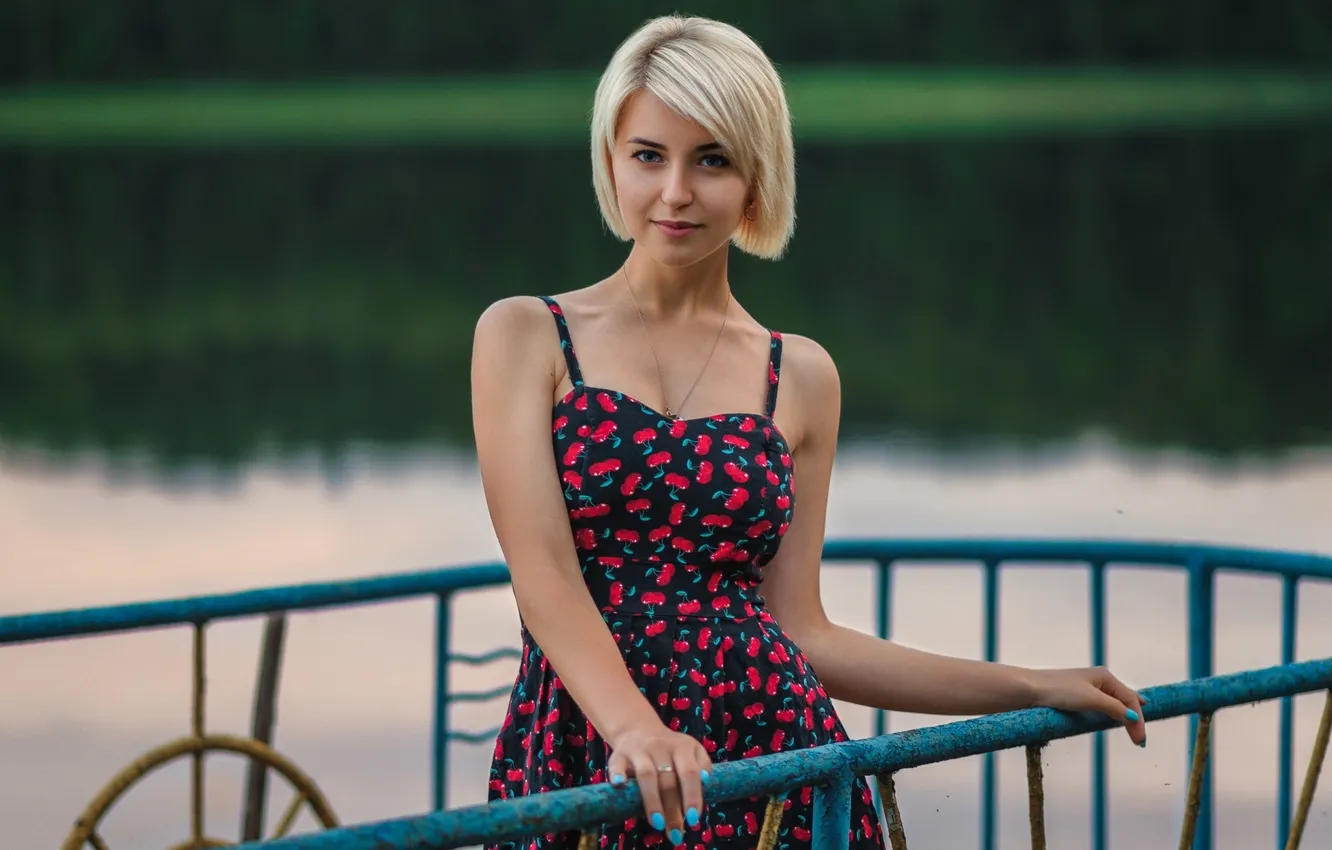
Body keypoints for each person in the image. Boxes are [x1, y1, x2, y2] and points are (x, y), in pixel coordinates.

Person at [470, 15, 1146, 850]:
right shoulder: (524, 335)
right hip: (593, 749)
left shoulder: (802, 375)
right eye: (649, 155)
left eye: (710, 159)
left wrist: (1027, 685)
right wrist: (636, 731)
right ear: (611, 162)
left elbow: (803, 631)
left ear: (756, 178)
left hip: (772, 759)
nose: (675, 191)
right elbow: (545, 581)